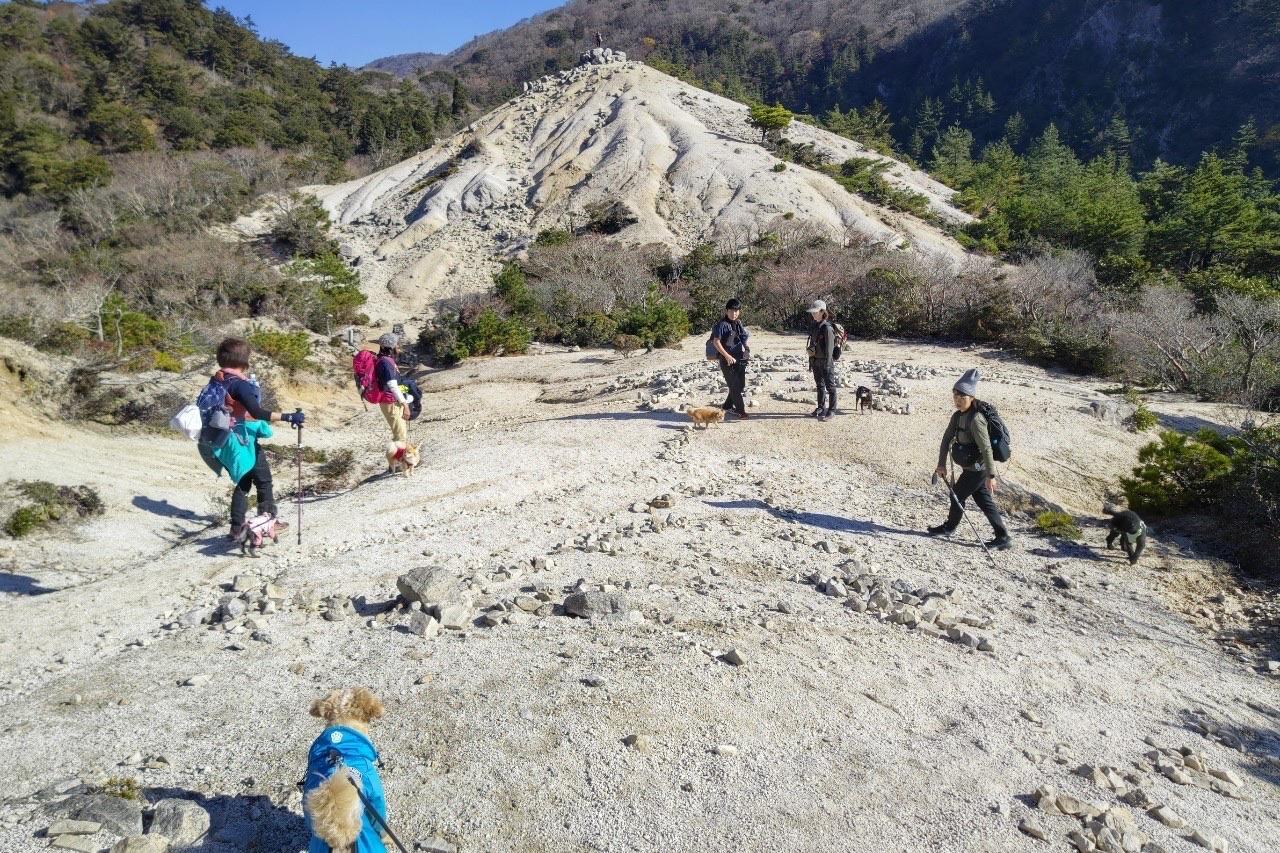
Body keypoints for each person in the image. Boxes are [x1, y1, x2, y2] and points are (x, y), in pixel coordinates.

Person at [201, 338, 304, 538]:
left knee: (244, 480)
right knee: (264, 481)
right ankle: (268, 522)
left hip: (225, 437)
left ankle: (236, 527)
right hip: (242, 438)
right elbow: (257, 412)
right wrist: (288, 417)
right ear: (243, 360)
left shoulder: (219, 378)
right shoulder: (240, 385)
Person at [929, 368, 1012, 550]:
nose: (958, 401)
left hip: (978, 468)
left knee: (956, 494)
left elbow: (986, 448)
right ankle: (1003, 536)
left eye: (962, 398)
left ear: (971, 398)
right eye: (956, 397)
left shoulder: (976, 420)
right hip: (970, 467)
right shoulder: (957, 417)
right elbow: (946, 439)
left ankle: (949, 527)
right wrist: (941, 464)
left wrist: (991, 475)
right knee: (983, 500)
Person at [711, 299, 750, 419]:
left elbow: (743, 337)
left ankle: (727, 406)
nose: (734, 313)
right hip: (726, 360)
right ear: (726, 311)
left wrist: (747, 348)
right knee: (734, 386)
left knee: (741, 385)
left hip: (739, 358)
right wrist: (727, 356)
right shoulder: (721, 325)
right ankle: (740, 411)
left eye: (737, 311)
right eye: (732, 311)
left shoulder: (738, 323)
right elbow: (716, 342)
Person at [374, 333, 412, 445]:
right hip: (391, 403)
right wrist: (405, 405)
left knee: (401, 435)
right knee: (400, 437)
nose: (399, 347)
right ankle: (396, 462)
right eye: (397, 344)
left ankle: (400, 460)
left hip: (392, 402)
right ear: (391, 347)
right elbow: (392, 385)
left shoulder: (384, 359)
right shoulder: (386, 362)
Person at [806, 300, 837, 421]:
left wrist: (827, 364)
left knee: (830, 387)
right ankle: (820, 407)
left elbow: (830, 348)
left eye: (815, 312)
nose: (813, 314)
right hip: (815, 361)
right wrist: (811, 360)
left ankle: (832, 410)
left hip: (825, 362)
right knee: (819, 385)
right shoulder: (815, 326)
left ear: (822, 312)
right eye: (812, 312)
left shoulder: (827, 328)